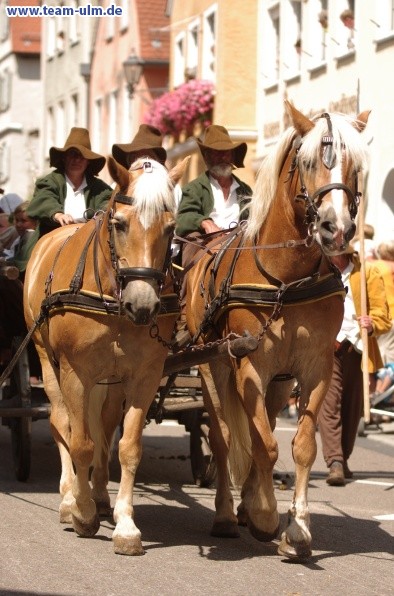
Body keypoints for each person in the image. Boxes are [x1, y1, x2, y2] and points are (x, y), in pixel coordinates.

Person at [173, 124, 253, 348]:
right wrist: (203, 222)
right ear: (207, 156)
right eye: (216, 153)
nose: (222, 157)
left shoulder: (246, 190)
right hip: (204, 243)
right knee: (193, 253)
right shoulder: (195, 188)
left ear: (233, 156)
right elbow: (182, 219)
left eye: (226, 152)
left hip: (240, 245)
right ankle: (185, 311)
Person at [318, 246, 391, 486]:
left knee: (352, 409)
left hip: (358, 350)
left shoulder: (367, 272)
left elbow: (383, 315)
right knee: (329, 405)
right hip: (328, 345)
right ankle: (335, 461)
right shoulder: (319, 269)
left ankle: (343, 457)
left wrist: (372, 324)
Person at [26, 127, 112, 250]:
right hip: (51, 244)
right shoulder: (50, 181)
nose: (77, 160)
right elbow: (44, 198)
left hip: (89, 245)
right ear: (64, 157)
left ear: (88, 162)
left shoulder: (100, 188)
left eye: (82, 157)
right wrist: (57, 214)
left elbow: (107, 202)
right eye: (73, 155)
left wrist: (99, 217)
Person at [4, 201, 37, 281]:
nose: (18, 225)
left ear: (36, 223)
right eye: (17, 220)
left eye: (23, 221)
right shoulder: (20, 237)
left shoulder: (30, 235)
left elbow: (21, 262)